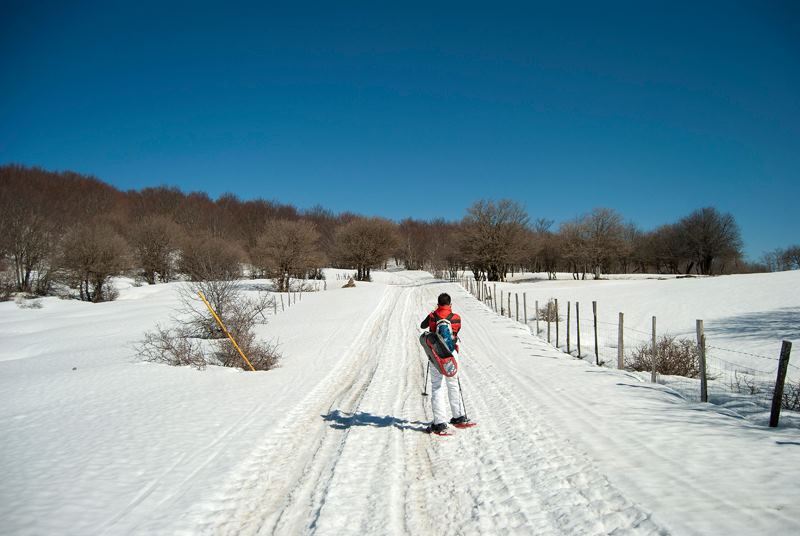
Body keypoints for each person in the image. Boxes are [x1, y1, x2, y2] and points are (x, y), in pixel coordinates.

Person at [420, 292, 469, 433]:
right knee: (453, 384)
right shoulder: (456, 318)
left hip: (437, 355)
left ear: (438, 304)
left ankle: (440, 422)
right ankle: (458, 416)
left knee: (437, 386)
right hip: (452, 353)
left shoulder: (432, 316)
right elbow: (457, 330)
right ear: (450, 304)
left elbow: (423, 326)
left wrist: (433, 313)